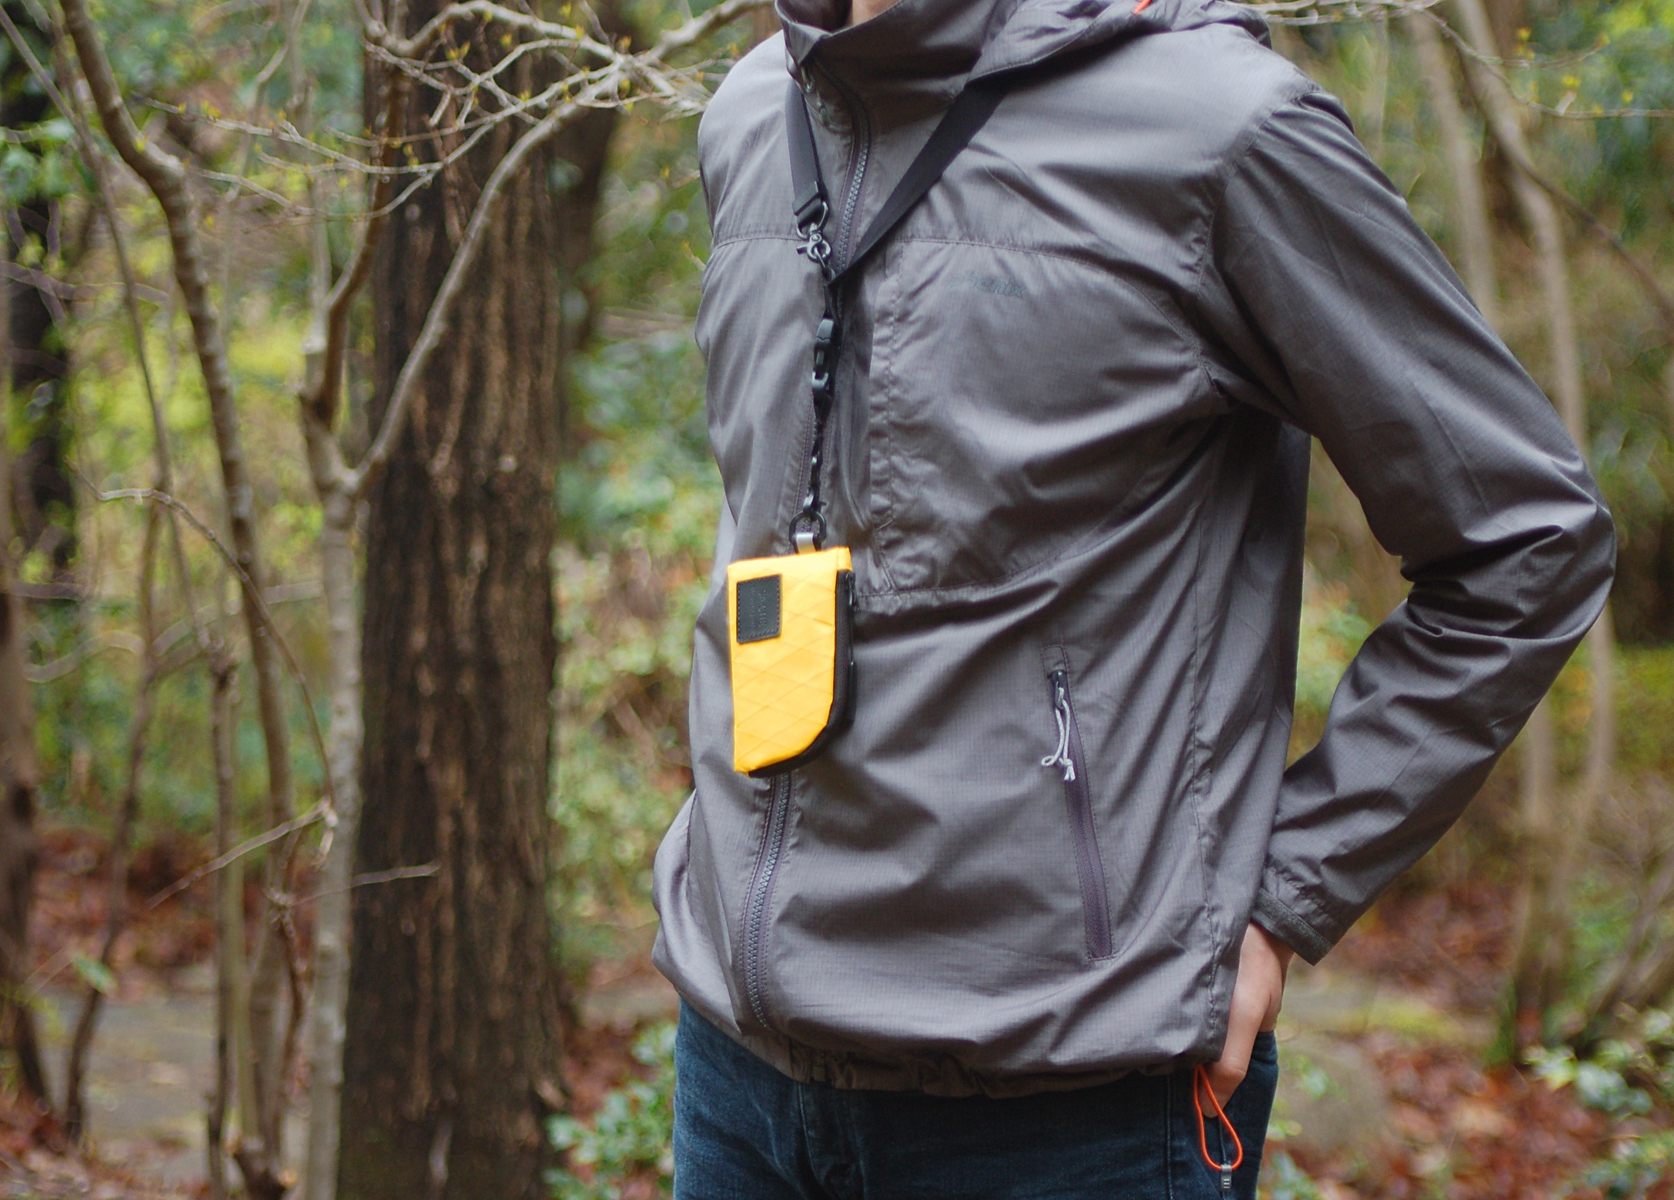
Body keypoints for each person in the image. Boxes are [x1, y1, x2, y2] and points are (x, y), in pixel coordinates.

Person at [651, 0, 1616, 1193]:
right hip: (739, 1082)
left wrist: (1284, 901)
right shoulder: (757, 110)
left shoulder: (1217, 131)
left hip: (1072, 1110)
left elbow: (1526, 537)